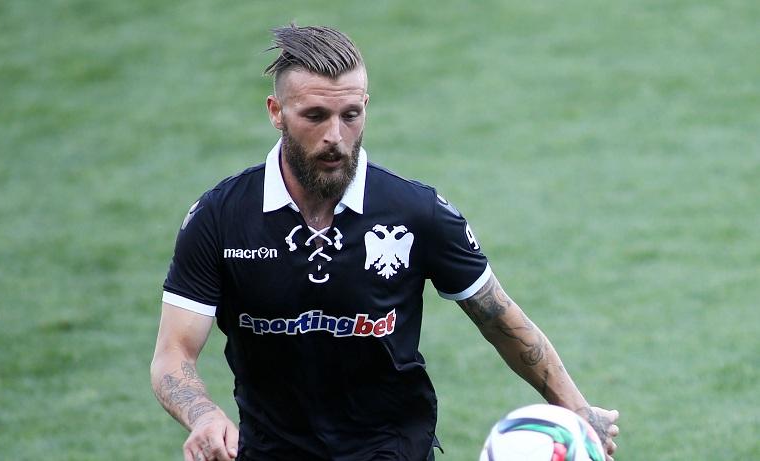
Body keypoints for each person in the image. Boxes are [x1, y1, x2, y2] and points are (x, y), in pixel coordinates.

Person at [150, 24, 620, 461]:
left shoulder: (416, 212)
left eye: (351, 115)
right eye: (315, 116)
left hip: (392, 449)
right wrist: (203, 415)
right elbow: (173, 353)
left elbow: (498, 317)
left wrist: (577, 410)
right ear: (276, 112)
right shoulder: (220, 218)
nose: (336, 137)